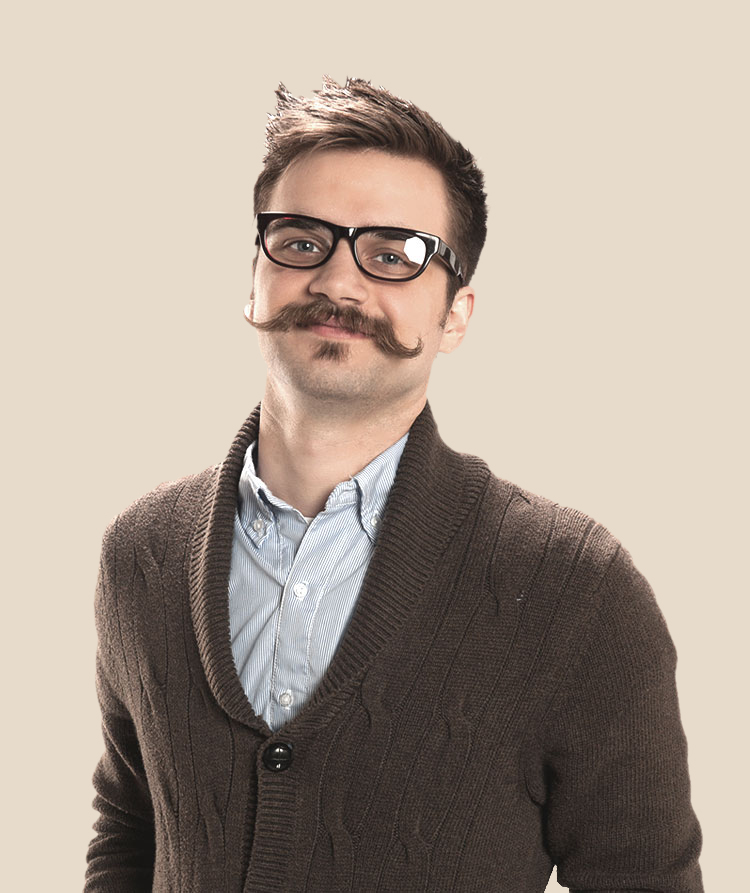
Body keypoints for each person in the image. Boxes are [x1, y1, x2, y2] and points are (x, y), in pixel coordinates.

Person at [85, 77, 703, 893]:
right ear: (255, 276)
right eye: (301, 241)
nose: (338, 283)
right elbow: (130, 828)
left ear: (456, 314)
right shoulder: (142, 553)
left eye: (393, 255)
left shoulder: (574, 588)